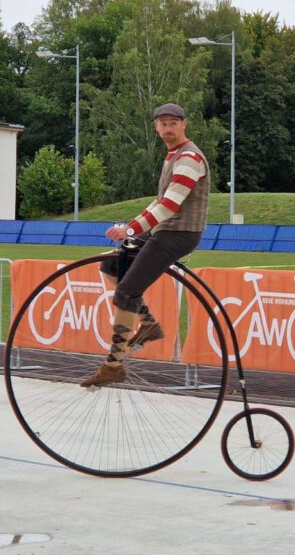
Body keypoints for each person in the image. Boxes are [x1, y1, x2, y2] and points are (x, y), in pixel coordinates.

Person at [80, 103, 211, 388]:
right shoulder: (172, 157)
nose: (167, 129)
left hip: (178, 233)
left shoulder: (189, 158)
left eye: (173, 123)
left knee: (127, 291)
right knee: (112, 264)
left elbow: (170, 204)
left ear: (184, 124)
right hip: (163, 229)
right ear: (155, 127)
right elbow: (158, 201)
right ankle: (148, 323)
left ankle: (113, 364)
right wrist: (130, 228)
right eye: (162, 124)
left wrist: (131, 229)